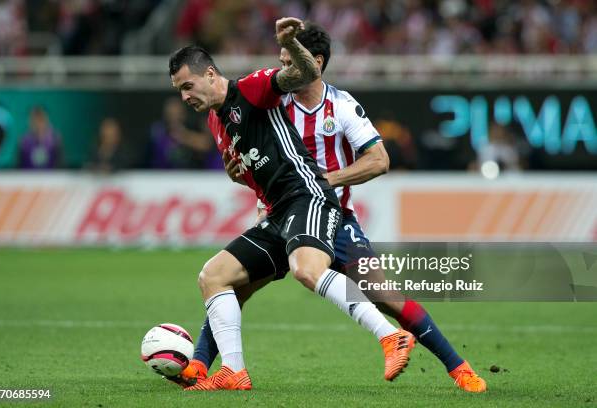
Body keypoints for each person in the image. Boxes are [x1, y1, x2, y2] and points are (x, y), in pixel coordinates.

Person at [182, 22, 486, 393]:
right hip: (289, 213)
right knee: (235, 283)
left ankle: (460, 369)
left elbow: (379, 160)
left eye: (288, 58)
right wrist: (242, 175)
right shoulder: (274, 103)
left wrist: (329, 180)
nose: (283, 66)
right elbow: (259, 160)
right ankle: (200, 364)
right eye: (281, 60)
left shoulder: (340, 106)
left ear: (317, 61)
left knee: (384, 295)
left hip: (335, 215)